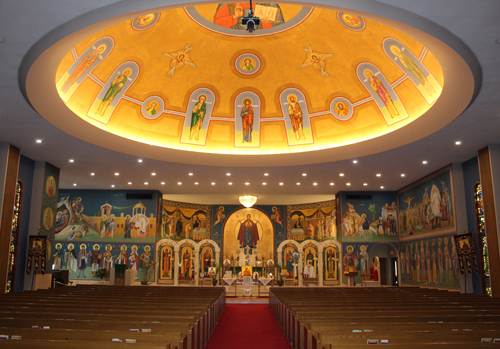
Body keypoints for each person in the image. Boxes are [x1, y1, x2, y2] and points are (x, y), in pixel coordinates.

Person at [213, 3, 284, 30]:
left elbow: (280, 26)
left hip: (261, 40)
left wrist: (267, 22)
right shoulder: (229, 3)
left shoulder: (268, 2)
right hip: (234, 41)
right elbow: (217, 25)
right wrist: (235, 16)